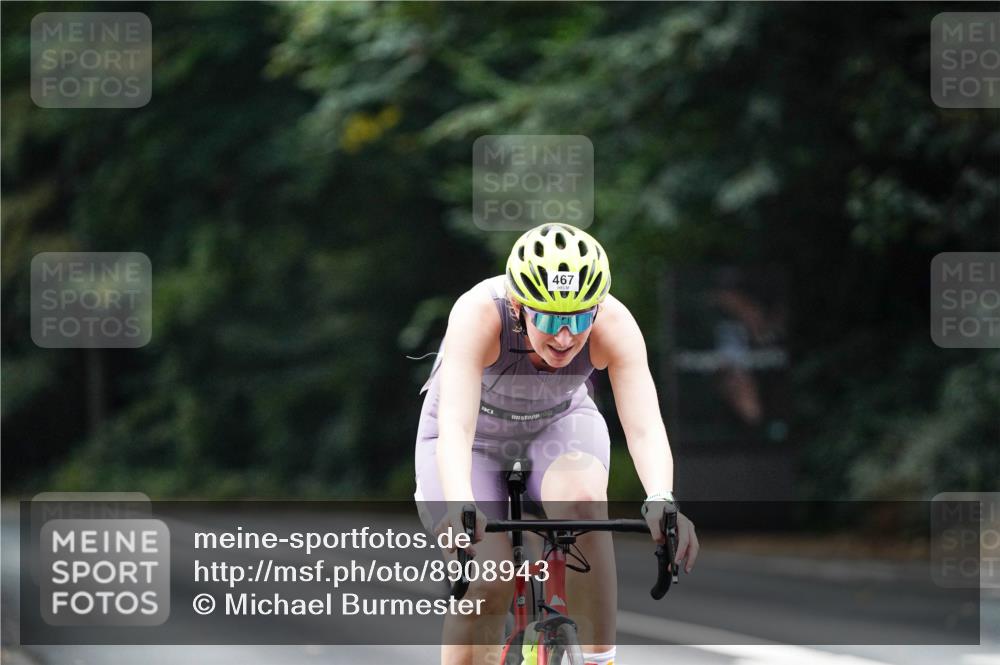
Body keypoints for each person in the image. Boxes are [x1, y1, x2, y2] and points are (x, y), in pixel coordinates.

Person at [414, 223, 699, 665]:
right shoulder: (479, 314)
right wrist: (459, 505)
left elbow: (644, 426)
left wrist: (662, 497)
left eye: (580, 319)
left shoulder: (615, 323)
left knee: (584, 503)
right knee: (488, 581)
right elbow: (456, 427)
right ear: (518, 307)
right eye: (548, 320)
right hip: (472, 441)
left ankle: (598, 660)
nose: (565, 337)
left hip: (557, 424)